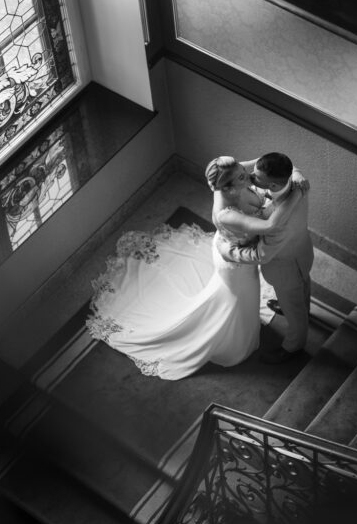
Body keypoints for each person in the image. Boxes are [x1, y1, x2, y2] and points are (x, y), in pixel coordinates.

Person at [83, 156, 287, 380]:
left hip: (234, 251)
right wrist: (294, 195)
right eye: (241, 176)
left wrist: (287, 171)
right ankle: (234, 343)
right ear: (227, 187)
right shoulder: (227, 213)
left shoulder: (228, 178)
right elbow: (270, 226)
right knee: (239, 298)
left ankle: (244, 330)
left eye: (242, 170)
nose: (247, 176)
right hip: (234, 263)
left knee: (247, 296)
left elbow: (253, 166)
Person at [220, 153, 313, 364]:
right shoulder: (295, 179)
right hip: (302, 249)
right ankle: (303, 306)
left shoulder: (279, 224)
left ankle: (294, 346)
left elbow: (259, 255)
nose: (251, 177)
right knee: (303, 284)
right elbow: (295, 167)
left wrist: (228, 252)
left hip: (286, 268)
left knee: (294, 311)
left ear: (272, 184)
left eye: (257, 176)